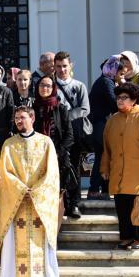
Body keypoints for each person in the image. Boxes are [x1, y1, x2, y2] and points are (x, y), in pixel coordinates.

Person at [0, 107, 62, 277]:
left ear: (32, 118)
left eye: (22, 117)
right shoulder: (9, 144)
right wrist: (20, 188)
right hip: (16, 202)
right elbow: (5, 172)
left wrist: (35, 191)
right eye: (16, 118)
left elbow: (52, 173)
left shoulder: (45, 142)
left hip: (38, 202)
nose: (19, 121)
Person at [100, 83, 139, 250]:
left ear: (134, 100)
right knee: (122, 205)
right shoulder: (113, 120)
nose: (120, 100)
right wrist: (104, 168)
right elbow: (106, 148)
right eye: (118, 97)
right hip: (118, 171)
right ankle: (126, 236)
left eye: (124, 97)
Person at [53, 51, 90, 219]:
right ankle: (60, 203)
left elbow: (85, 109)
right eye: (59, 66)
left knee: (74, 167)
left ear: (71, 66)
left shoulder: (79, 86)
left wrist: (66, 116)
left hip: (73, 132)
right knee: (57, 169)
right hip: (55, 133)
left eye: (65, 66)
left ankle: (74, 203)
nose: (62, 70)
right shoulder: (50, 85)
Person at [33, 77, 74, 211]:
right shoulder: (32, 108)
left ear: (53, 89)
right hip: (37, 155)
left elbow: (69, 134)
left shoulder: (60, 108)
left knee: (61, 183)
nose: (45, 88)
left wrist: (57, 152)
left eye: (48, 86)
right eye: (42, 85)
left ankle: (68, 207)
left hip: (58, 154)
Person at [87, 55, 122, 200]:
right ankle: (94, 189)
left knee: (103, 157)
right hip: (100, 125)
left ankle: (104, 189)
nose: (122, 76)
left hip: (101, 123)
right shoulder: (107, 82)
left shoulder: (105, 81)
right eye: (121, 73)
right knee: (102, 157)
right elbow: (115, 104)